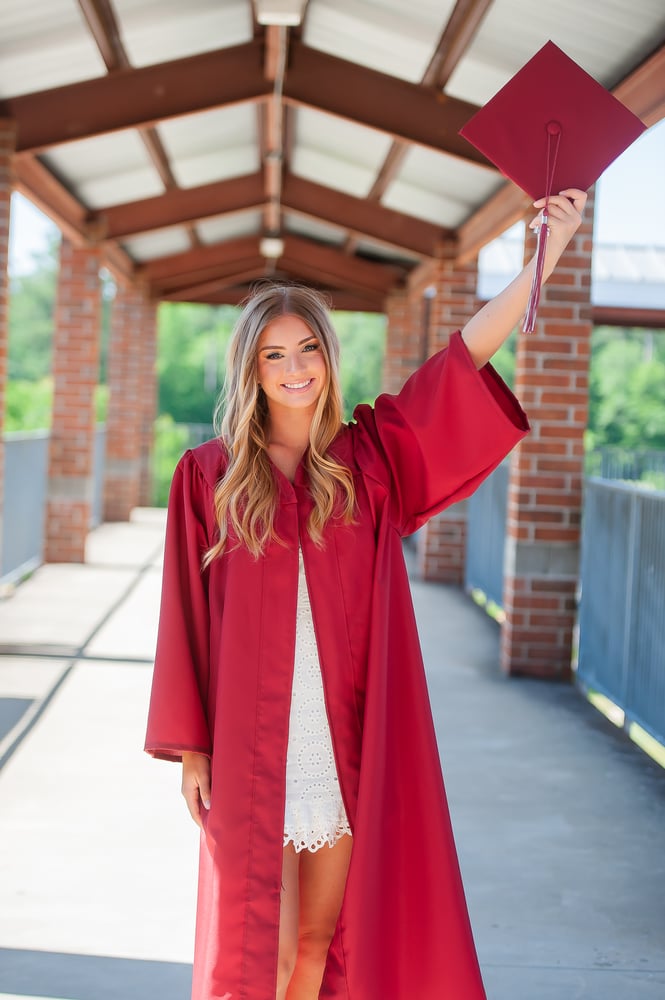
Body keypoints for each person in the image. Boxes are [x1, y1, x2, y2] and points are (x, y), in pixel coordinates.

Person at [145, 190, 587, 1000]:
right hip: (249, 742)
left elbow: (461, 361)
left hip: (339, 744)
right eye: (272, 356)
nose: (294, 371)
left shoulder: (365, 463)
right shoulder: (207, 477)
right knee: (260, 954)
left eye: (306, 349)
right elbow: (183, 618)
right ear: (250, 370)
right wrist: (191, 746)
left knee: (317, 942)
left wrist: (543, 259)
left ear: (327, 356)